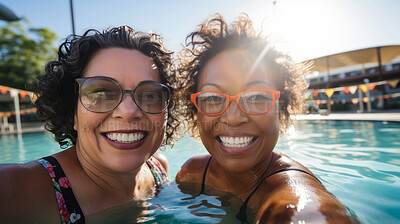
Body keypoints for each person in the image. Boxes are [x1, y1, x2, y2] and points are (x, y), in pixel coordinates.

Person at [175, 14, 358, 223]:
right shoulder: (193, 174)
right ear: (195, 112)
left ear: (283, 109)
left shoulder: (292, 192)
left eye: (256, 97)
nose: (233, 117)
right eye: (213, 98)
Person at [0, 25, 183, 223]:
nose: (129, 111)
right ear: (73, 113)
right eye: (101, 93)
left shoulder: (158, 168)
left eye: (150, 95)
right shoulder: (16, 189)